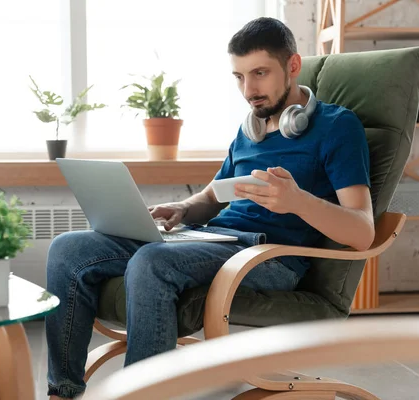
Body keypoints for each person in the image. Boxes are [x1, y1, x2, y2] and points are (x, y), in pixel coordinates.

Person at [46, 17, 374, 399]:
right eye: (238, 77)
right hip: (211, 240)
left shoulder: (338, 127)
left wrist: (297, 201)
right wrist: (183, 209)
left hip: (267, 256)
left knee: (152, 261)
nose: (248, 90)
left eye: (260, 73)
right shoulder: (250, 127)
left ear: (293, 66)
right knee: (68, 249)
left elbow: (362, 230)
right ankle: (62, 392)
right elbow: (214, 196)